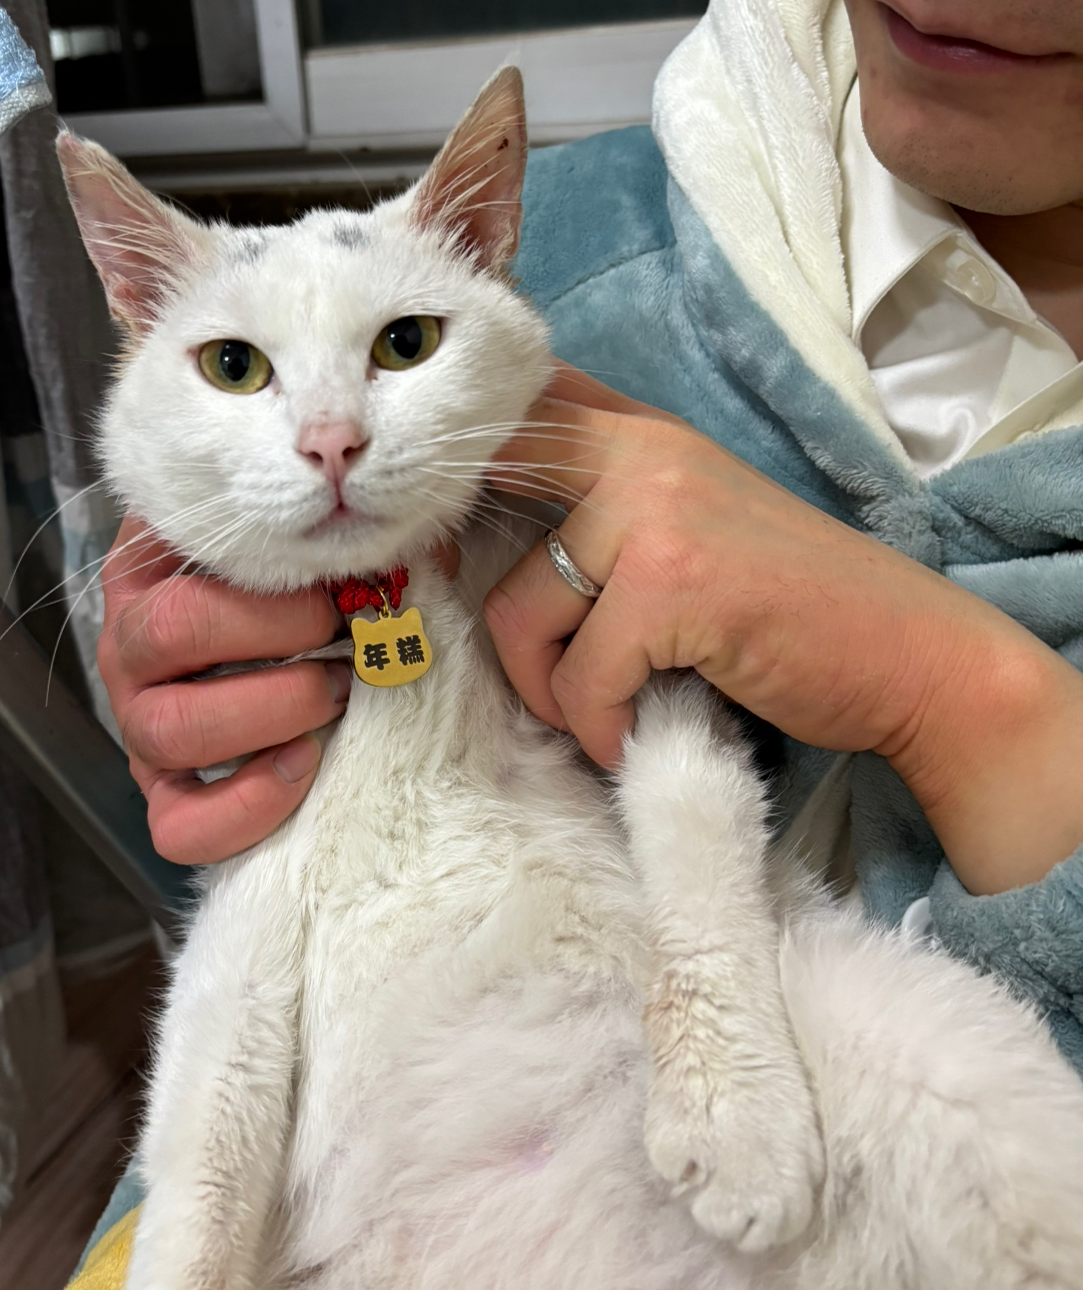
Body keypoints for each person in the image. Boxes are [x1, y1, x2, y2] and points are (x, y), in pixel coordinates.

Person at [97, 0, 1083, 1068]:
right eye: (239, 367)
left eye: (402, 346)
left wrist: (947, 694)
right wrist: (189, 658)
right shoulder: (563, 240)